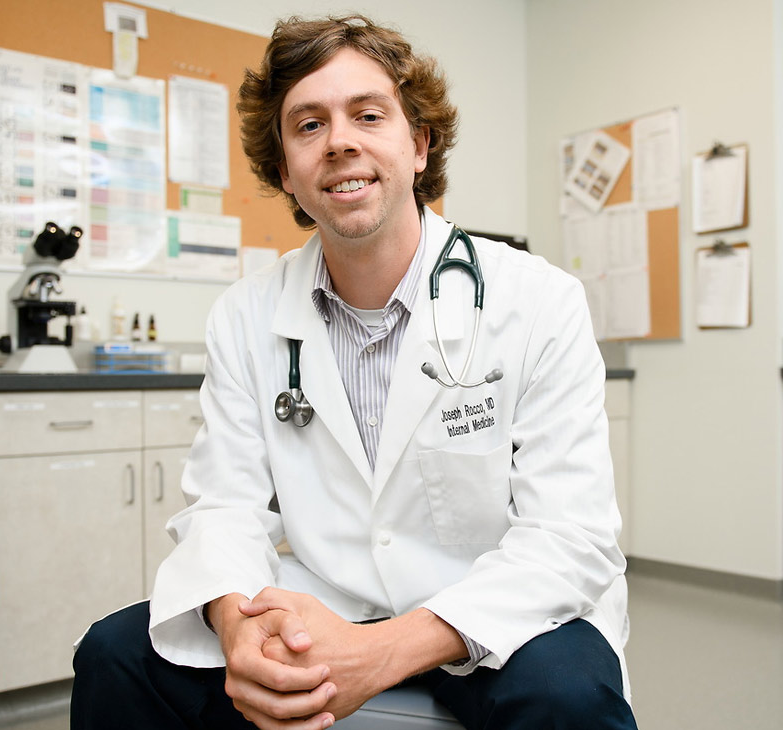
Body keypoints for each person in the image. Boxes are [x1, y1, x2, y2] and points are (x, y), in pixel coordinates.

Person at [72, 14, 637, 730]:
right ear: (285, 169)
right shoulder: (246, 315)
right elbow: (224, 506)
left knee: (570, 698)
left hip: (496, 612)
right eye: (307, 126)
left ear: (420, 144)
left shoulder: (538, 300)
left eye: (368, 115)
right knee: (115, 656)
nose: (339, 141)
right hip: (326, 599)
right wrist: (237, 625)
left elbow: (570, 538)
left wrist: (377, 655)